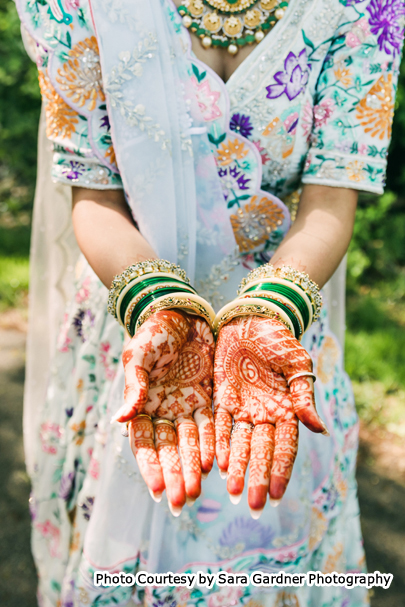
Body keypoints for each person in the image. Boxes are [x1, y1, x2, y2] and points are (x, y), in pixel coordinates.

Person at [15, 0, 403, 605]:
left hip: (277, 353)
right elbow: (96, 194)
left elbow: (331, 198)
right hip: (140, 333)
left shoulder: (363, 7)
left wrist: (269, 312)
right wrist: (159, 303)